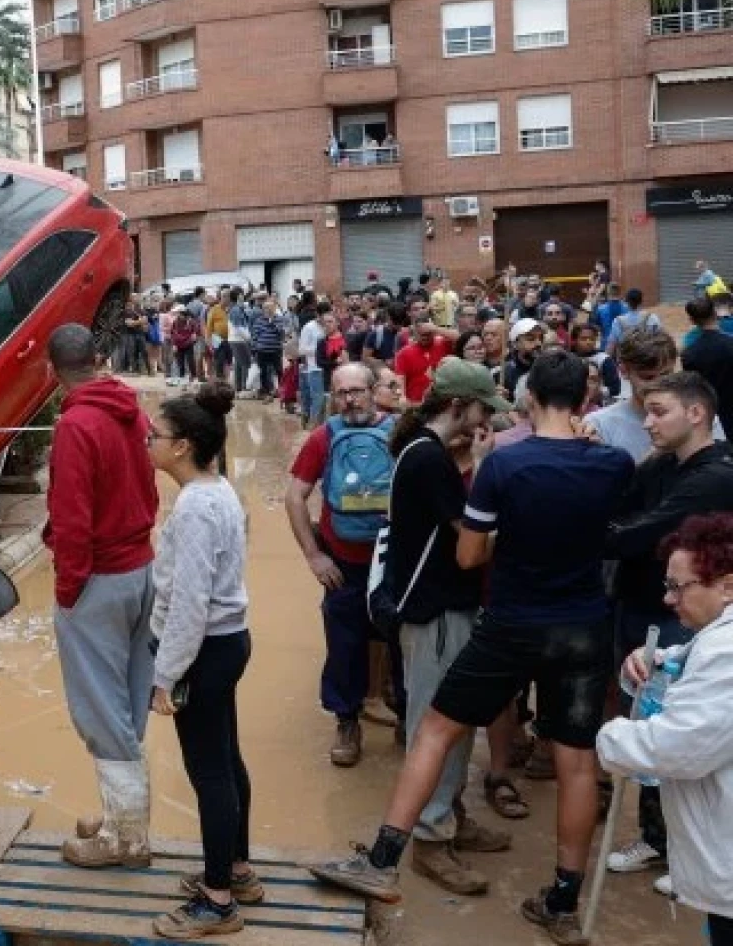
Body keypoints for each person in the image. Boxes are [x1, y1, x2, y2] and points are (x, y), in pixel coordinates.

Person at [310, 350, 635, 944]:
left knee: (434, 729)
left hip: (510, 621)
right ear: (587, 402)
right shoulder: (613, 463)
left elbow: (467, 555)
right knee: (578, 762)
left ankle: (381, 862)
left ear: (530, 399)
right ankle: (562, 901)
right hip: (584, 626)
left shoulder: (503, 468)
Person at [379, 360, 515, 895]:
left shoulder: (427, 454)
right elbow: (470, 544)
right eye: (484, 410)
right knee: (435, 726)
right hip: (434, 611)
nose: (489, 420)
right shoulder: (429, 460)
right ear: (458, 406)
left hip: (443, 608)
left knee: (453, 723)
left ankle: (450, 814)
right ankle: (432, 837)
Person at [600, 373, 733, 885]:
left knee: (680, 729)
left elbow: (639, 532)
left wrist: (612, 535)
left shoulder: (715, 476)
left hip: (685, 617)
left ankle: (682, 851)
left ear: (696, 413)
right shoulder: (662, 465)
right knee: (651, 705)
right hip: (643, 607)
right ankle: (663, 841)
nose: (648, 423)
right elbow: (623, 511)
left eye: (659, 412)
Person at [41, 324, 161, 869]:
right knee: (130, 700)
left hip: (99, 578)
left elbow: (72, 521)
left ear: (52, 371)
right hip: (142, 569)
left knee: (100, 708)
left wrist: (69, 591)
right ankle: (122, 816)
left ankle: (127, 839)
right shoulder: (129, 409)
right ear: (98, 359)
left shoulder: (75, 425)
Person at [142, 382, 258, 939]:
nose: (148, 443)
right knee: (227, 759)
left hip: (204, 649)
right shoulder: (220, 489)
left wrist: (165, 676)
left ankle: (217, 902)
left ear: (183, 446)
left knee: (209, 771)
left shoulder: (193, 508)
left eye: (155, 435)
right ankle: (237, 869)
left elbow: (189, 603)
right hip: (227, 641)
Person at [598, 513, 733, 946]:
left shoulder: (726, 651)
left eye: (679, 587)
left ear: (727, 586)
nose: (669, 599)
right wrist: (659, 658)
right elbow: (696, 660)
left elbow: (677, 749)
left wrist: (609, 735)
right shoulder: (715, 639)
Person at [287, 362, 396, 767]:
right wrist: (314, 556)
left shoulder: (399, 432)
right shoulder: (323, 437)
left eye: (357, 391)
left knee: (398, 640)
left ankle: (400, 711)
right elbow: (295, 495)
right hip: (343, 564)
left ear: (374, 391)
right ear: (333, 396)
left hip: (391, 562)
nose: (350, 399)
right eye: (342, 392)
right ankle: (347, 721)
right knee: (344, 646)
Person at [590, 328, 726, 460]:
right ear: (624, 371)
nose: (658, 385)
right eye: (648, 377)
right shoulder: (600, 425)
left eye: (666, 375)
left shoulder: (697, 416)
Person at [682, 297, 733, 438]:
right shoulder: (730, 344)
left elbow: (692, 389)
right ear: (715, 314)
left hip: (708, 415)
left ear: (692, 321)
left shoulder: (689, 353)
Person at [393, 320, 455, 405]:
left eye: (428, 333)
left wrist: (436, 329)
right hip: (416, 404)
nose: (425, 337)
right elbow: (400, 379)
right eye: (421, 334)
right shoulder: (403, 353)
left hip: (443, 402)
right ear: (414, 333)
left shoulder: (444, 344)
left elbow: (461, 337)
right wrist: (402, 397)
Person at [297, 303, 333, 426]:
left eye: (329, 316)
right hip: (314, 368)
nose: (327, 320)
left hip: (329, 368)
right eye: (324, 316)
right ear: (317, 315)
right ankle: (314, 428)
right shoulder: (309, 327)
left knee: (327, 401)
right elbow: (301, 349)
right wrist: (320, 349)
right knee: (317, 400)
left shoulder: (330, 326)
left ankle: (323, 427)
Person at [570, 324, 620, 403]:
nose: (588, 342)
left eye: (592, 339)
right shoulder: (569, 358)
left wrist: (597, 392)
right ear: (575, 340)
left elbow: (615, 388)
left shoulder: (604, 359)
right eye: (583, 339)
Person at [604, 288, 662, 353]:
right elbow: (661, 340)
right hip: (647, 359)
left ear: (626, 302)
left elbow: (611, 346)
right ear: (641, 301)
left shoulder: (618, 321)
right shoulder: (652, 318)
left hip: (626, 360)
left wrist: (605, 360)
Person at [248, 300, 285, 400]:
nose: (268, 310)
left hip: (276, 350)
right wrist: (254, 350)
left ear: (274, 308)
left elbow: (281, 334)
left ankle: (282, 391)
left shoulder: (280, 319)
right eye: (266, 308)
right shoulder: (258, 321)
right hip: (262, 351)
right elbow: (254, 337)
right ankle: (266, 392)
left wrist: (272, 322)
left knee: (279, 371)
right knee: (263, 372)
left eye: (270, 308)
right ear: (263, 309)